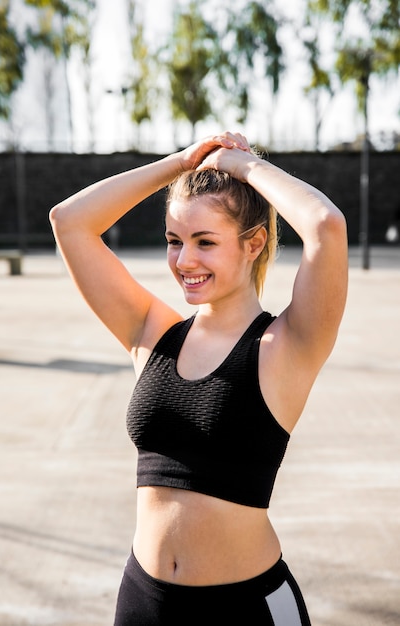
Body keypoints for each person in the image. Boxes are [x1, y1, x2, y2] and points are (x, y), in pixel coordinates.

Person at [50, 131, 348, 625]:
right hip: (144, 601)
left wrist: (241, 165)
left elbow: (325, 224)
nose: (184, 261)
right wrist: (183, 162)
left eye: (205, 241)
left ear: (253, 244)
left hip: (245, 609)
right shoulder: (153, 332)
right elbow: (70, 221)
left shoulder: (286, 346)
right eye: (175, 240)